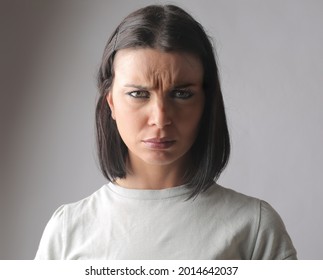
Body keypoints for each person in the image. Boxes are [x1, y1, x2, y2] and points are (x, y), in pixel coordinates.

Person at [35, 4, 297, 260]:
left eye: (181, 94)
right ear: (111, 103)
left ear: (206, 103)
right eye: (138, 94)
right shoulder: (67, 231)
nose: (160, 119)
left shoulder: (255, 229)